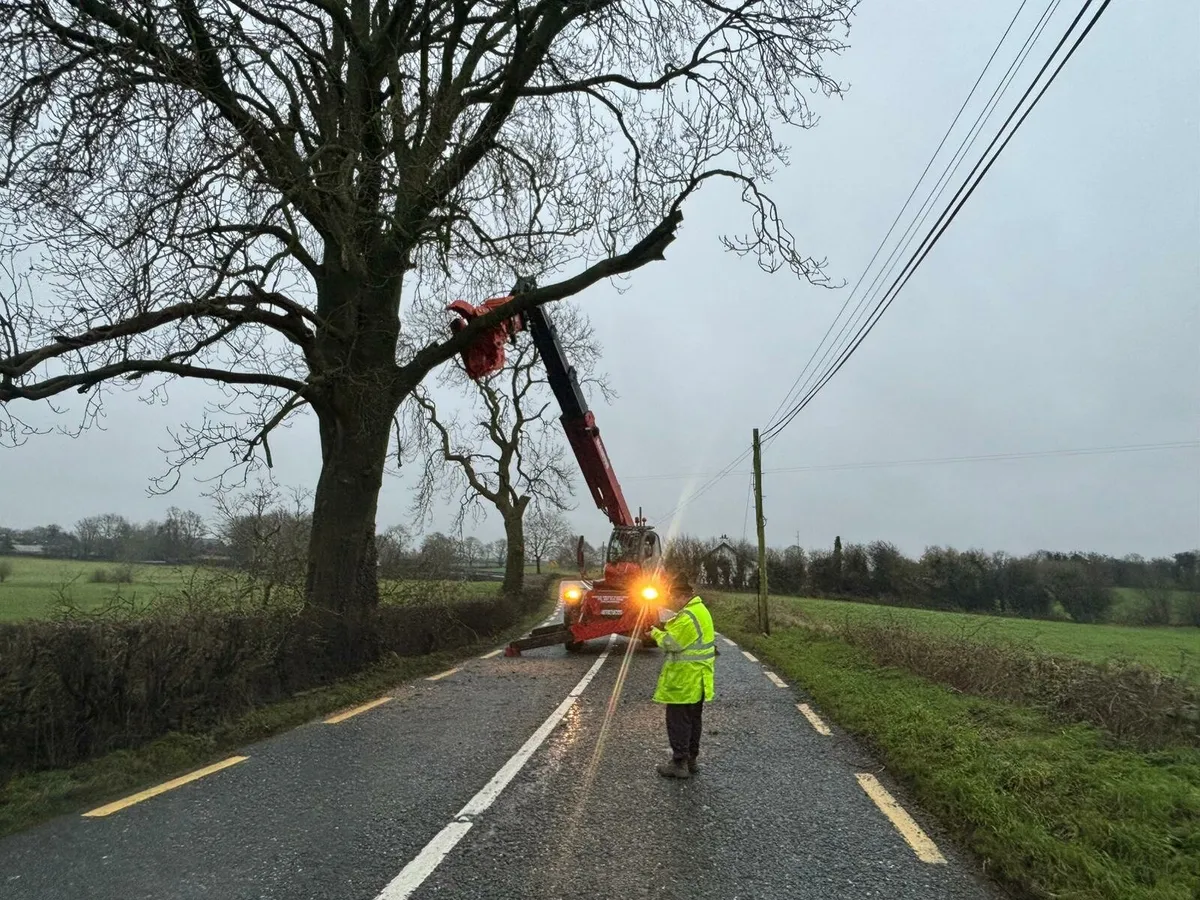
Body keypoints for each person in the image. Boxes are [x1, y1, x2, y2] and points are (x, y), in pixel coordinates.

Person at [648, 582, 716, 779]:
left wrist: (654, 633)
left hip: (685, 680)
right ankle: (691, 760)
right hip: (698, 679)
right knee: (693, 720)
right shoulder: (700, 610)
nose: (672, 601)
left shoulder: (688, 616)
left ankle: (679, 763)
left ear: (682, 596)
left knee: (678, 720)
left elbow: (673, 643)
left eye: (673, 597)